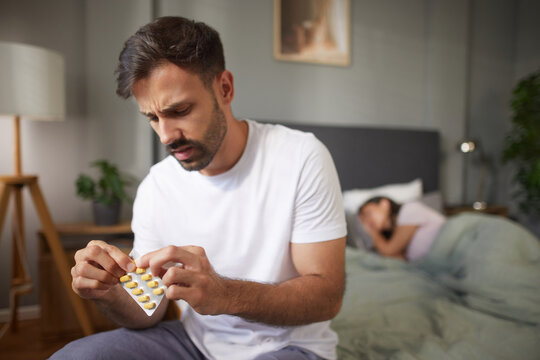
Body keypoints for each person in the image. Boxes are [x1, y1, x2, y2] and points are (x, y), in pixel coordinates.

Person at [51, 16, 347, 360]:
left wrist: (225, 295)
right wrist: (108, 293)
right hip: (192, 343)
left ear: (224, 89)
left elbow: (327, 296)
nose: (165, 136)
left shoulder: (301, 157)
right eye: (152, 117)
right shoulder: (157, 187)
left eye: (179, 110)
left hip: (289, 347)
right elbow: (149, 313)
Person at [357, 197, 445, 261]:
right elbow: (402, 261)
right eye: (363, 221)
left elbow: (389, 251)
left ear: (385, 204)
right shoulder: (394, 238)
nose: (367, 222)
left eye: (368, 214)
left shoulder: (409, 209)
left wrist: (373, 232)